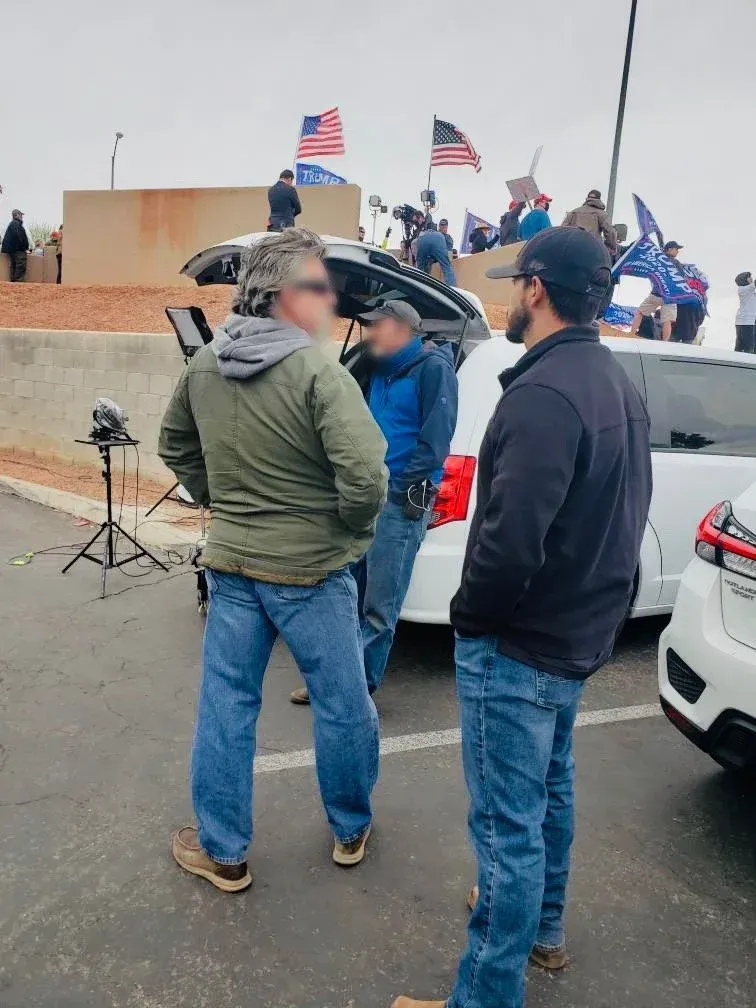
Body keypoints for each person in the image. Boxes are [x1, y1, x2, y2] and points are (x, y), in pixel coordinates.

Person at [393, 228, 652, 1008]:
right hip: (571, 642)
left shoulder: (544, 392)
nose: (508, 297)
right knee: (549, 797)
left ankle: (484, 995)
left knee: (508, 833)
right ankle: (541, 931)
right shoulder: (611, 381)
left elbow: (512, 541)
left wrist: (472, 619)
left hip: (522, 649)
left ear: (537, 289)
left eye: (516, 284)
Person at [158, 228, 388, 892]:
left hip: (231, 565)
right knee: (343, 704)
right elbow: (366, 476)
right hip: (312, 573)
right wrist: (346, 531)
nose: (326, 299)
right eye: (316, 286)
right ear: (285, 295)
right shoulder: (317, 370)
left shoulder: (205, 363)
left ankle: (224, 852)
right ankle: (350, 829)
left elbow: (175, 442)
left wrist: (216, 499)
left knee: (228, 705)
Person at [290, 300, 458, 704]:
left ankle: (355, 693)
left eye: (376, 327)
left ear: (402, 328)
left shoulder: (433, 369)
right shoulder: (378, 367)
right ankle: (335, 680)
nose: (369, 334)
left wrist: (397, 485)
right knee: (346, 595)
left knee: (380, 606)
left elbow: (435, 443)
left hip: (400, 500)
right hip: (366, 494)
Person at [630, 240, 684, 341]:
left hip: (656, 294)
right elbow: (682, 279)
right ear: (670, 249)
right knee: (667, 321)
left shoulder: (658, 259)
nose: (677, 251)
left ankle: (631, 334)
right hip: (670, 297)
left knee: (640, 313)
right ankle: (664, 342)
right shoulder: (676, 263)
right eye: (676, 249)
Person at [562, 189, 617, 253]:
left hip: (573, 246)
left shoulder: (574, 212)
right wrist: (611, 247)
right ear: (599, 199)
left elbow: (563, 229)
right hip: (592, 248)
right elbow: (609, 231)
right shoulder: (602, 214)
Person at [416, 220, 456, 285]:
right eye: (441, 225)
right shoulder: (442, 236)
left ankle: (419, 285)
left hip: (423, 239)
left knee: (421, 267)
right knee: (447, 267)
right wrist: (448, 262)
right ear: (439, 226)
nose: (443, 227)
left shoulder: (447, 237)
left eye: (444, 226)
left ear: (447, 227)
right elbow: (448, 252)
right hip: (435, 254)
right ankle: (453, 287)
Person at [1, 209, 30, 282]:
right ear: (16, 215)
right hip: (18, 250)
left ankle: (14, 284)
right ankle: (18, 283)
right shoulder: (15, 223)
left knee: (14, 265)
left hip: (13, 249)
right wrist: (23, 248)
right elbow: (18, 236)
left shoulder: (13, 223)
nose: (22, 217)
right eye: (20, 215)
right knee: (20, 265)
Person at [735, 271, 756, 353]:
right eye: (748, 277)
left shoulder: (751, 292)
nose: (751, 278)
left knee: (751, 348)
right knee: (746, 348)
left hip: (751, 322)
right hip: (745, 322)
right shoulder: (742, 289)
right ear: (743, 280)